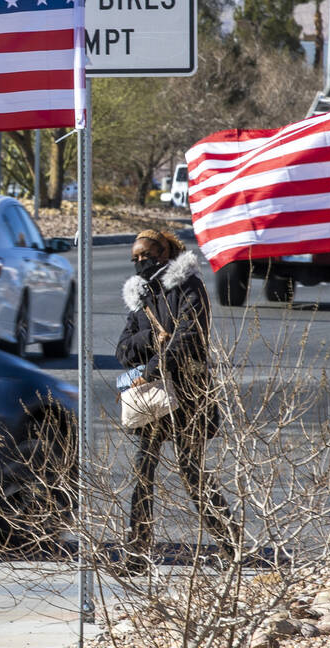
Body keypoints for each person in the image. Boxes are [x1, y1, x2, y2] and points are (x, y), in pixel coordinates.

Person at [116, 229, 238, 568]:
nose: (141, 262)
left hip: (190, 394)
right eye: (135, 259)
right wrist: (153, 336)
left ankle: (230, 544)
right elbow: (123, 349)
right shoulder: (142, 297)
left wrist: (153, 365)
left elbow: (190, 335)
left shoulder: (188, 286)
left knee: (191, 472)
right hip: (155, 399)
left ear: (165, 252)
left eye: (147, 255)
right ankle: (137, 552)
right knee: (144, 472)